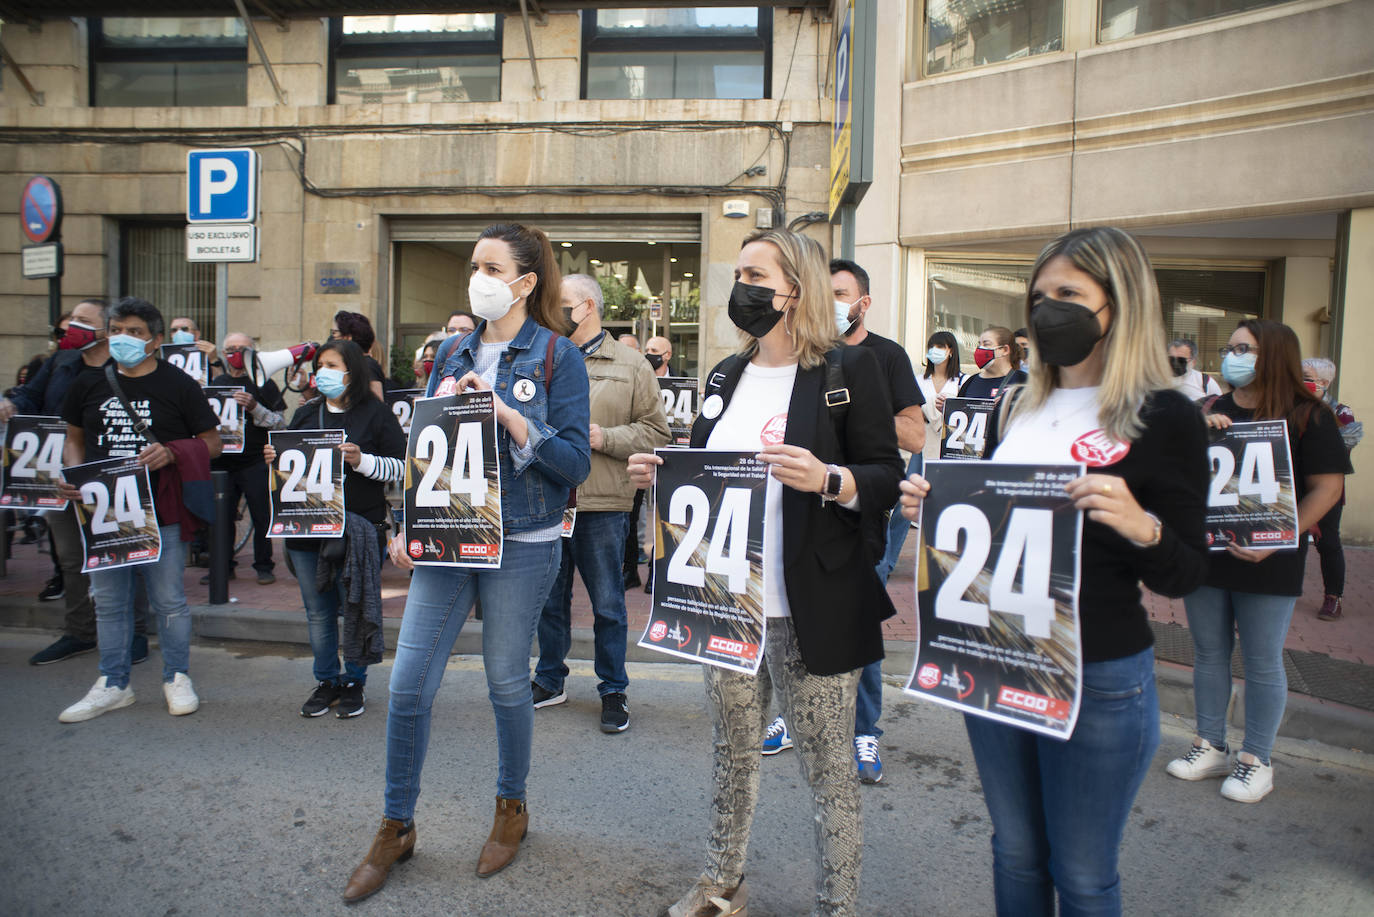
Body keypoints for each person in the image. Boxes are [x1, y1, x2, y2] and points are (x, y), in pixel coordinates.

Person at [900, 226, 1210, 916]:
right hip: (996, 656)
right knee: (1014, 851)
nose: (1047, 310)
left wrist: (1139, 522)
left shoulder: (1166, 416)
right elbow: (1003, 527)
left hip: (1096, 677)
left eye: (1069, 294)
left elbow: (1185, 570)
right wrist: (941, 508)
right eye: (1039, 296)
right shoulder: (1021, 404)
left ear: (1119, 302)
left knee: (1082, 873)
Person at [628, 228, 903, 917]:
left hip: (809, 602)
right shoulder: (725, 375)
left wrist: (829, 476)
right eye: (741, 272)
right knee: (732, 751)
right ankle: (722, 883)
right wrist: (660, 477)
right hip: (724, 602)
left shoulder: (847, 372)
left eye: (756, 273)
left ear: (795, 290)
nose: (741, 286)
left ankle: (836, 904)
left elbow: (885, 477)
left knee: (827, 769)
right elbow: (707, 476)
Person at [343, 223, 589, 902]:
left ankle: (512, 808)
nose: (476, 275)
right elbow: (432, 443)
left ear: (525, 281)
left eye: (489, 265)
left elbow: (574, 462)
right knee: (407, 686)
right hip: (449, 539)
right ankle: (396, 824)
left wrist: (512, 417)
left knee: (508, 682)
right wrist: (409, 522)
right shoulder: (451, 349)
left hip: (525, 540)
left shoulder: (557, 358)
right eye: (473, 264)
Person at [1167, 322, 1349, 803]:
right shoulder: (1208, 408)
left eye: (1244, 348)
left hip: (1269, 557)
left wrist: (1281, 539)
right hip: (1208, 551)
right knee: (1207, 651)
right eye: (1230, 348)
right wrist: (1194, 433)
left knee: (1263, 659)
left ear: (1274, 355)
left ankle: (1255, 759)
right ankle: (1210, 744)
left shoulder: (1309, 415)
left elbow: (1328, 487)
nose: (1233, 356)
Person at [763, 258, 926, 785]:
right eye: (822, 291)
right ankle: (792, 715)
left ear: (862, 302)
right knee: (796, 625)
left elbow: (914, 436)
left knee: (856, 615)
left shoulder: (881, 357)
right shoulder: (794, 361)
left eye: (841, 292)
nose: (829, 302)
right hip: (799, 521)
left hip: (857, 512)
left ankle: (865, 728)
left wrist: (858, 414)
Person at [56, 297, 223, 723]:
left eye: (135, 332)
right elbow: (73, 437)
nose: (123, 339)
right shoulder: (87, 383)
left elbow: (212, 442)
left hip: (160, 510)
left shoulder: (179, 385)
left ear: (156, 340)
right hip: (103, 511)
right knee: (109, 602)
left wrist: (172, 452)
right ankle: (113, 684)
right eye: (116, 330)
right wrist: (74, 475)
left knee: (169, 602)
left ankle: (177, 677)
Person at [532, 274, 670, 731]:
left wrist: (604, 437)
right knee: (549, 602)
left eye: (563, 303)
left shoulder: (632, 364)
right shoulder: (542, 356)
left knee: (608, 604)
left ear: (587, 306)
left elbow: (656, 433)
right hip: (550, 501)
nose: (554, 311)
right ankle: (550, 679)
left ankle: (613, 689)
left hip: (604, 504)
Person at [2, 299, 151, 666]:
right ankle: (80, 632)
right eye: (71, 321)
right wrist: (9, 402)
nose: (72, 328)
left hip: (110, 477)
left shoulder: (128, 369)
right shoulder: (59, 363)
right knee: (70, 557)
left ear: (106, 329)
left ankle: (135, 633)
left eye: (83, 321)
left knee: (124, 553)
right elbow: (29, 396)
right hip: (60, 476)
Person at [266, 340, 405, 719]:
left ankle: (354, 681)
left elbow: (402, 469)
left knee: (355, 607)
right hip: (307, 530)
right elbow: (288, 474)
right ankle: (326, 680)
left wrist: (362, 461)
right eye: (319, 365)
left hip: (358, 531)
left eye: (331, 364)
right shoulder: (307, 414)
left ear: (352, 371)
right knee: (318, 612)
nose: (322, 371)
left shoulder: (376, 415)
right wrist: (275, 460)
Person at [206, 331, 288, 587]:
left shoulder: (265, 384)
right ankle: (222, 567)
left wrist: (255, 407)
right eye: (231, 348)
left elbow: (281, 424)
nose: (236, 353)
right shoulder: (215, 383)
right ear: (223, 353)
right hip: (221, 463)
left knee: (261, 516)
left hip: (254, 461)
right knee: (221, 518)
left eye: (242, 348)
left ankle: (264, 566)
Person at [1301, 357, 1361, 621]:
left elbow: (1348, 442)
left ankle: (1333, 597)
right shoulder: (1291, 406)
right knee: (1287, 540)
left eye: (1307, 376)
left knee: (1328, 542)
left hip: (1326, 490)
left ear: (1324, 383)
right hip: (1292, 484)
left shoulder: (1341, 413)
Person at [946, 325, 1026, 405]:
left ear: (1005, 350)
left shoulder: (1023, 380)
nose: (980, 349)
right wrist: (948, 407)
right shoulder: (970, 382)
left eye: (986, 344)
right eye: (979, 345)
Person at [916, 330, 964, 463]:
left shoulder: (963, 381)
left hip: (952, 447)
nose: (934, 350)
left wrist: (926, 411)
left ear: (951, 351)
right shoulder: (918, 380)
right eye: (931, 347)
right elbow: (912, 411)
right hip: (922, 445)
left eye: (940, 347)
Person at [330, 311, 387, 401]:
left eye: (334, 333)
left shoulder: (367, 365)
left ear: (348, 337)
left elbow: (377, 405)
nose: (332, 339)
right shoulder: (351, 364)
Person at [1168, 338, 1223, 403]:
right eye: (1171, 359)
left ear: (1193, 362)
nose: (1175, 364)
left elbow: (1219, 406)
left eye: (1181, 360)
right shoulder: (1158, 380)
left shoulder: (1204, 381)